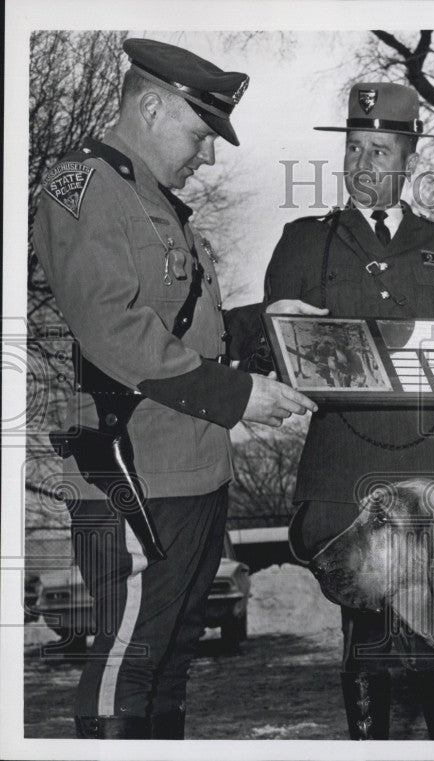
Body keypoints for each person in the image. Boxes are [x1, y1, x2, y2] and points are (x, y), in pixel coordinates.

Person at [32, 38, 316, 739]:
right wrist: (235, 396)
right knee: (130, 660)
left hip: (188, 476)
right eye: (199, 134)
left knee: (169, 661)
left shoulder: (154, 200)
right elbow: (112, 327)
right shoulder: (84, 185)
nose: (208, 155)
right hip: (133, 477)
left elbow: (187, 326)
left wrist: (264, 323)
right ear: (150, 106)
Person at [261, 82, 434, 740]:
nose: (362, 164)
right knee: (363, 628)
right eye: (354, 148)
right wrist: (270, 328)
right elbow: (275, 348)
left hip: (433, 463)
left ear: (409, 158)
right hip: (349, 465)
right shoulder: (304, 241)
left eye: (379, 150)